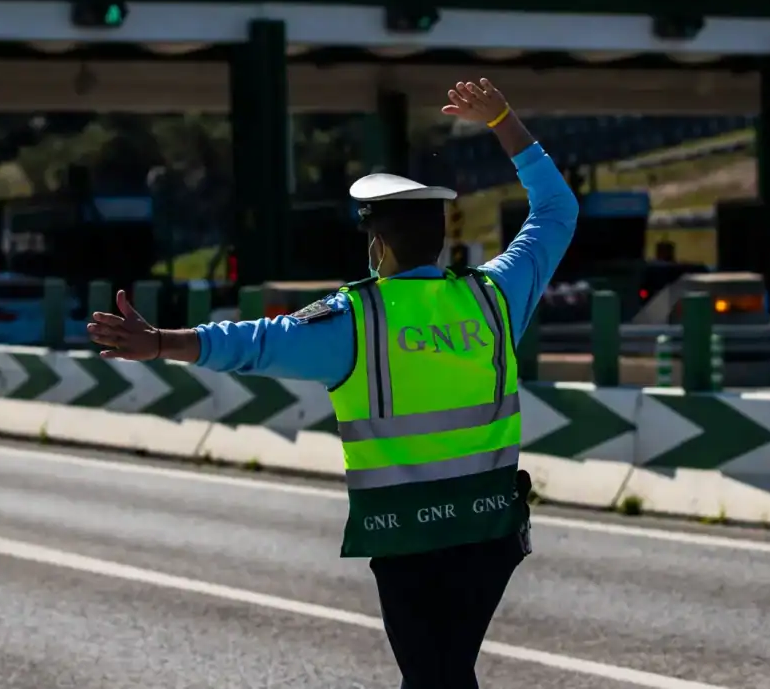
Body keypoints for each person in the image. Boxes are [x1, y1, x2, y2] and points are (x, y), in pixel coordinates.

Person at [88, 78, 579, 689]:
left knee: (436, 678)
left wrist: (161, 342)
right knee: (442, 676)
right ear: (443, 238)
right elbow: (557, 209)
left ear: (376, 244)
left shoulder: (355, 319)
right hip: (489, 534)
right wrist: (503, 118)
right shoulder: (496, 297)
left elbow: (252, 343)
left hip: (408, 541)